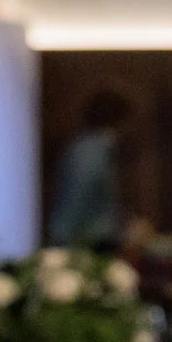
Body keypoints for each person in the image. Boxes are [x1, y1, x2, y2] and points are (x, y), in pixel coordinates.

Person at [48, 90, 129, 249]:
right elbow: (76, 201)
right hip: (85, 243)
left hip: (89, 239)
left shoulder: (94, 150)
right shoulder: (91, 153)